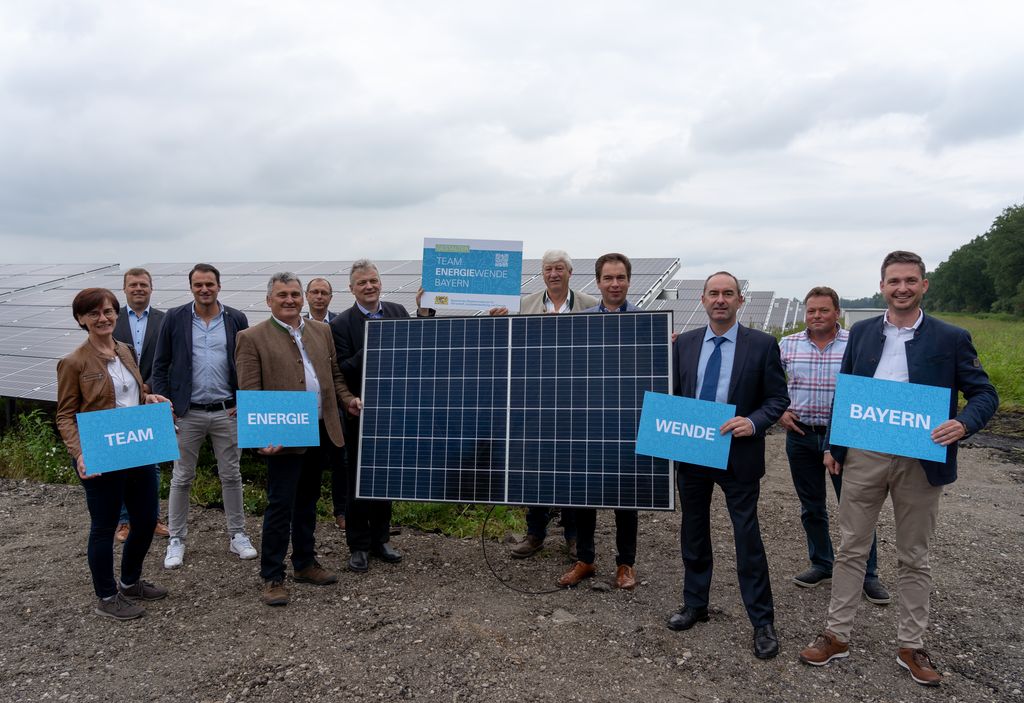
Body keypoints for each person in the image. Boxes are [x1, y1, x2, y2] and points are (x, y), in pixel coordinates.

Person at [799, 251, 998, 687]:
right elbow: (846, 391)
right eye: (894, 281)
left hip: (920, 459)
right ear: (883, 286)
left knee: (914, 555)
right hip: (865, 454)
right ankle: (837, 635)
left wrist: (963, 423)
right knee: (852, 547)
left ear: (924, 285)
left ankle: (911, 645)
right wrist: (835, 444)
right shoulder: (865, 333)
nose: (902, 288)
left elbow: (985, 395)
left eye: (910, 280)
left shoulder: (951, 337)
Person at [667, 271, 789, 660]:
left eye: (728, 294)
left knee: (747, 538)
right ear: (702, 300)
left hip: (739, 454)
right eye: (713, 293)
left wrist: (753, 422)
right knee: (694, 530)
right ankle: (694, 603)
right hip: (693, 453)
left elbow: (777, 399)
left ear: (740, 301)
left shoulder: (763, 345)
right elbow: (672, 393)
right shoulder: (683, 344)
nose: (720, 299)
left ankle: (762, 621)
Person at [236, 272, 362, 606]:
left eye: (294, 294)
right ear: (269, 300)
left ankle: (305, 562)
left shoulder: (322, 331)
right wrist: (260, 435)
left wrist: (348, 399)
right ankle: (272, 575)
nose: (290, 300)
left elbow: (333, 376)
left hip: (320, 427)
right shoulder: (252, 337)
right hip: (283, 431)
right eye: (282, 295)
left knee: (307, 501)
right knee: (280, 504)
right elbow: (250, 391)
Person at [56, 287, 170, 620]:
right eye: (94, 313)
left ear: (115, 315)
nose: (103, 318)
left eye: (108, 311)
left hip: (137, 446)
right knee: (104, 527)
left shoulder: (125, 351)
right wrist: (80, 454)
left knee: (146, 520)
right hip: (101, 451)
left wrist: (149, 399)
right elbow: (65, 414)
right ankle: (107, 596)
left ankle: (130, 583)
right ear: (81, 319)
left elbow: (132, 392)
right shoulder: (73, 362)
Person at [778, 287, 890, 605]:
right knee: (811, 506)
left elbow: (872, 389)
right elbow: (770, 383)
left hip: (846, 439)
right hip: (800, 436)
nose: (817, 316)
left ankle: (868, 575)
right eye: (811, 311)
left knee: (856, 508)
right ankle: (822, 563)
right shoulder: (788, 345)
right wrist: (781, 411)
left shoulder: (856, 343)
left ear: (836, 312)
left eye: (824, 310)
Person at [150, 263, 257, 569]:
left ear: (219, 286)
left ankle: (238, 535)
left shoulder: (236, 318)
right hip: (188, 412)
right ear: (191, 287)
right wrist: (165, 406)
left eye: (209, 284)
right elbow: (161, 364)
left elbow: (245, 362)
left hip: (227, 410)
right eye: (198, 285)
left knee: (232, 475)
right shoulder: (175, 317)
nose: (204, 289)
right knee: (182, 477)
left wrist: (243, 399)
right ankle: (177, 540)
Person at [495, 250, 597, 562]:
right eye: (548, 269)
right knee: (535, 464)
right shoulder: (524, 305)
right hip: (535, 397)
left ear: (570, 272)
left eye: (559, 269)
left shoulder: (590, 305)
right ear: (542, 274)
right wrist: (498, 322)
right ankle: (535, 533)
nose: (554, 274)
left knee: (574, 465)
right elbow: (509, 347)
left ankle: (574, 536)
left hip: (576, 399)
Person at [330, 260, 431, 572]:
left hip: (395, 410)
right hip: (360, 411)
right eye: (362, 283)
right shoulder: (341, 324)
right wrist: (377, 341)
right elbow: (342, 368)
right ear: (352, 289)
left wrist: (424, 314)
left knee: (386, 477)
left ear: (380, 283)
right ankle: (358, 545)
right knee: (358, 480)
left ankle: (381, 539)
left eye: (373, 280)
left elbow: (419, 347)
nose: (369, 286)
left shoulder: (398, 312)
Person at [557, 253, 640, 591]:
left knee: (628, 497)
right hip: (588, 421)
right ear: (598, 282)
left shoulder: (647, 320)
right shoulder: (582, 320)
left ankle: (625, 564)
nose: (615, 284)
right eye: (608, 278)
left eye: (620, 278)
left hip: (628, 421)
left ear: (629, 281)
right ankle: (586, 559)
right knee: (585, 494)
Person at [111, 267, 169, 542]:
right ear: (124, 289)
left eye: (143, 284)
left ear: (151, 288)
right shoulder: (111, 319)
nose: (138, 289)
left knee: (152, 463)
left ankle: (152, 518)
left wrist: (149, 386)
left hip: (152, 399)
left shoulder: (164, 320)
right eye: (133, 284)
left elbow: (168, 359)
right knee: (122, 462)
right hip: (119, 401)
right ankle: (124, 522)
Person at [302, 277, 345, 529]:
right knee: (309, 463)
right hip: (304, 407)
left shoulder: (338, 324)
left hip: (335, 405)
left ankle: (341, 511)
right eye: (315, 292)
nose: (319, 296)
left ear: (331, 297)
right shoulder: (294, 324)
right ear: (307, 296)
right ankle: (310, 510)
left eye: (324, 293)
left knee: (341, 460)